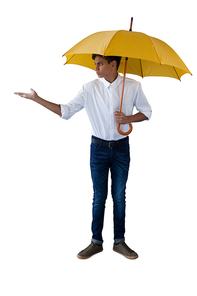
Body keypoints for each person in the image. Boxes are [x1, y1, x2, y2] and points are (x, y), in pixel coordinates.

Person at [14, 54, 152, 260]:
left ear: (113, 65)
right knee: (99, 197)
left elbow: (147, 112)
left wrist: (128, 118)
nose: (95, 68)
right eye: (95, 64)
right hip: (98, 149)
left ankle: (119, 242)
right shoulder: (89, 88)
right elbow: (66, 111)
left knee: (119, 196)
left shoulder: (132, 86)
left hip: (122, 149)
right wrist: (37, 99)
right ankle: (96, 242)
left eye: (100, 64)